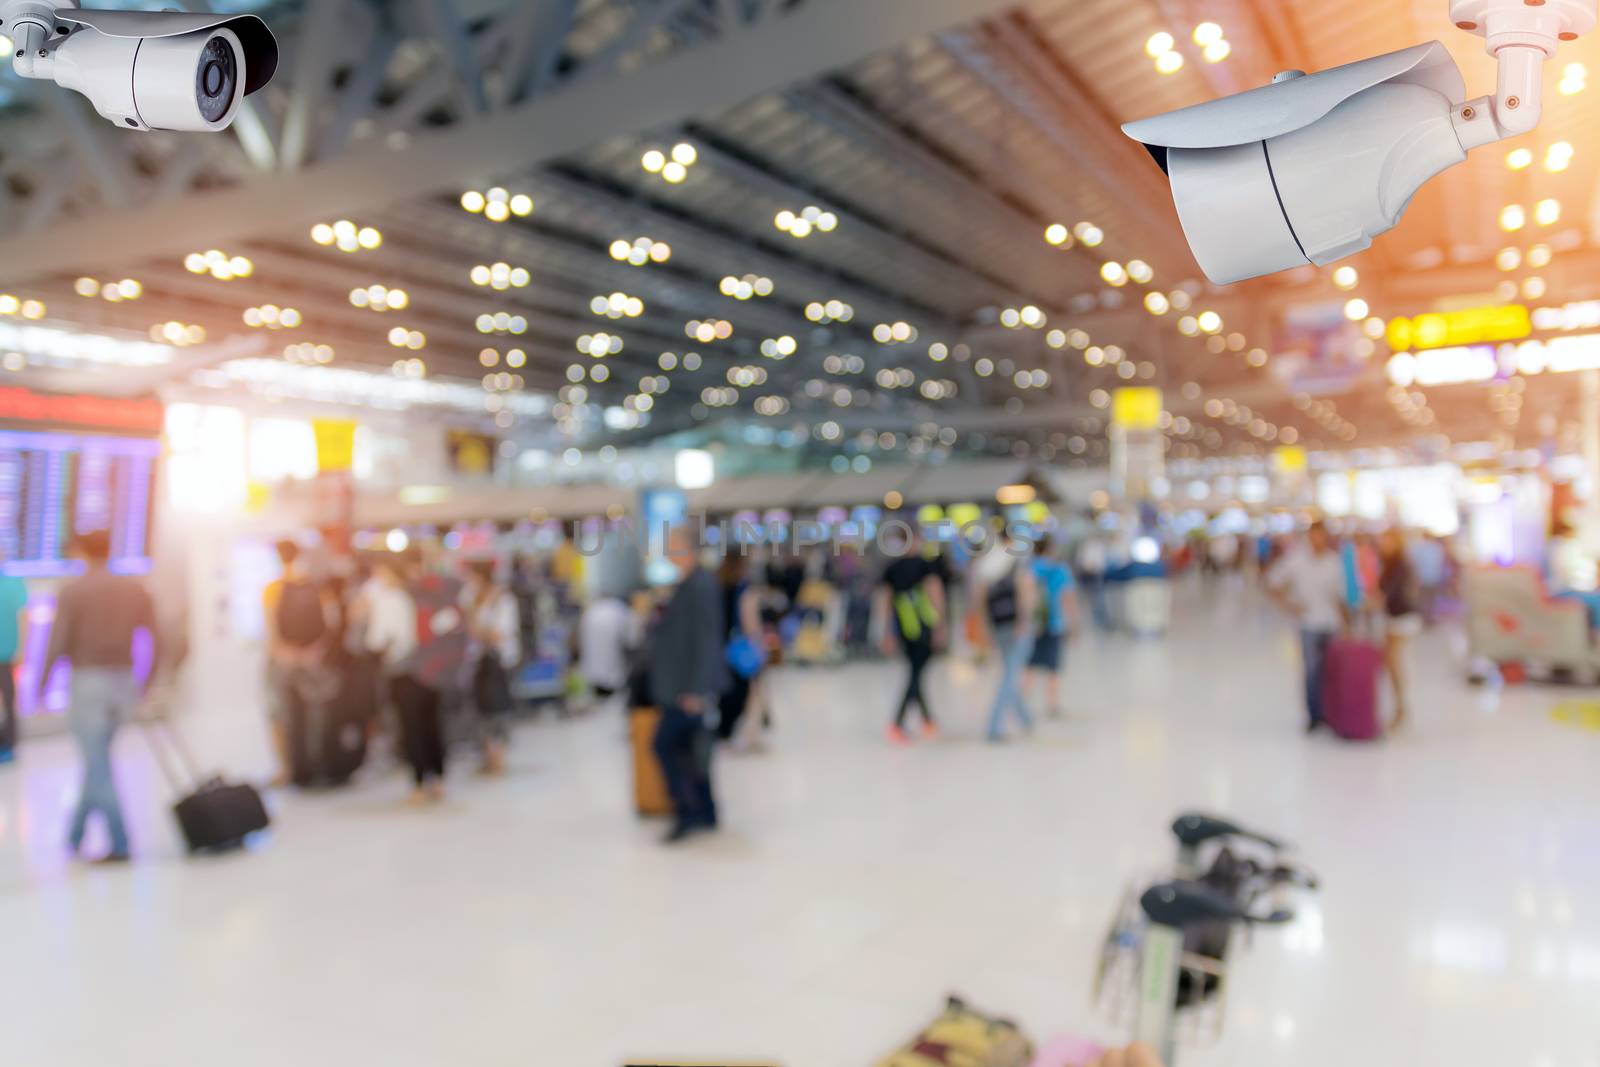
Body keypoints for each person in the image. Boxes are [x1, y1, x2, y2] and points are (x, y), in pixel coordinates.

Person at [42, 530, 158, 864]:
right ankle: (74, 836)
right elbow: (158, 637)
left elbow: (58, 640)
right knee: (97, 760)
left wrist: (43, 684)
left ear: (80, 552)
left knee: (98, 763)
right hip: (124, 682)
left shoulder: (73, 591)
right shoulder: (135, 589)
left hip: (89, 682)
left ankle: (120, 843)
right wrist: (147, 680)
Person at [648, 526, 727, 844]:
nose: (667, 552)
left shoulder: (701, 584)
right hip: (680, 687)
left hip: (690, 690)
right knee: (691, 752)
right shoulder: (687, 584)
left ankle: (689, 811)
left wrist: (698, 690)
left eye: (672, 546)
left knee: (666, 746)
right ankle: (704, 812)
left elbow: (708, 639)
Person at [262, 540, 336, 787]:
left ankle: (286, 770)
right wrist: (314, 652)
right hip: (312, 659)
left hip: (283, 659)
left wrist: (283, 652)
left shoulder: (273, 588)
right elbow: (330, 622)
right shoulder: (315, 586)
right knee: (315, 712)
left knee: (279, 714)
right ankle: (317, 765)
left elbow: (271, 625)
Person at [1266, 521, 1349, 733]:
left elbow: (1341, 596)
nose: (1317, 540)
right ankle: (1314, 716)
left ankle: (1331, 713)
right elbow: (1272, 582)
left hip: (1331, 623)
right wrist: (1288, 604)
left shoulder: (1334, 561)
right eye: (1313, 536)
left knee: (1331, 671)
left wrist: (1348, 624)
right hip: (1308, 623)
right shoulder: (1296, 560)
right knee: (1311, 672)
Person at [876, 529, 947, 744]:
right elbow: (936, 594)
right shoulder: (925, 565)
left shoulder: (892, 569)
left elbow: (885, 603)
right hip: (924, 625)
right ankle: (897, 723)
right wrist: (940, 626)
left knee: (915, 672)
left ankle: (927, 721)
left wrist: (887, 632)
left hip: (905, 628)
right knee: (915, 676)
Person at [974, 528, 1038, 742]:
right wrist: (1024, 621)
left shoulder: (986, 562)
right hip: (1016, 624)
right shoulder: (1016, 560)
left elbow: (980, 599)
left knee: (1010, 670)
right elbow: (1024, 591)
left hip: (998, 624)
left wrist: (985, 628)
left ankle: (1026, 719)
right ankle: (994, 726)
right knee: (1010, 675)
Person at [463, 560, 519, 776]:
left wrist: (478, 629)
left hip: (499, 662)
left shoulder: (503, 600)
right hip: (478, 662)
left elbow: (499, 634)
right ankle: (487, 755)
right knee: (481, 709)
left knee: (499, 708)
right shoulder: (473, 599)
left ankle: (499, 756)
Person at [715, 554, 769, 751]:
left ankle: (728, 732)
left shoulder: (717, 586)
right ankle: (751, 736)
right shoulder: (745, 590)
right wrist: (759, 645)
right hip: (743, 648)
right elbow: (750, 622)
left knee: (729, 691)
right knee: (753, 690)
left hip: (724, 647)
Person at [1025, 535, 1080, 719]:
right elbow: (1068, 599)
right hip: (1055, 624)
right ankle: (1053, 704)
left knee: (1028, 665)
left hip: (1032, 625)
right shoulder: (1061, 570)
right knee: (1053, 667)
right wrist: (1073, 625)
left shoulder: (1029, 568)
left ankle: (1022, 701)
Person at [1377, 527, 1421, 733]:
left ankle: (1402, 707)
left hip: (1402, 619)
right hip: (1394, 617)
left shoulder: (1400, 565)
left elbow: (1389, 593)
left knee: (1396, 663)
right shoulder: (1390, 564)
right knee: (1392, 663)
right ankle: (1399, 706)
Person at [578, 587, 641, 715]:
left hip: (593, 666)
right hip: (614, 666)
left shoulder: (592, 611)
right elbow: (633, 639)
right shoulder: (621, 611)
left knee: (600, 693)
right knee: (615, 700)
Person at [0, 561, 27, 764]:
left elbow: (23, 618)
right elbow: (24, 619)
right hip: (9, 653)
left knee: (9, 701)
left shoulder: (14, 583)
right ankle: (8, 744)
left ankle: (8, 744)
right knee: (9, 701)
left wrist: (21, 650)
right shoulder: (14, 584)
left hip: (7, 654)